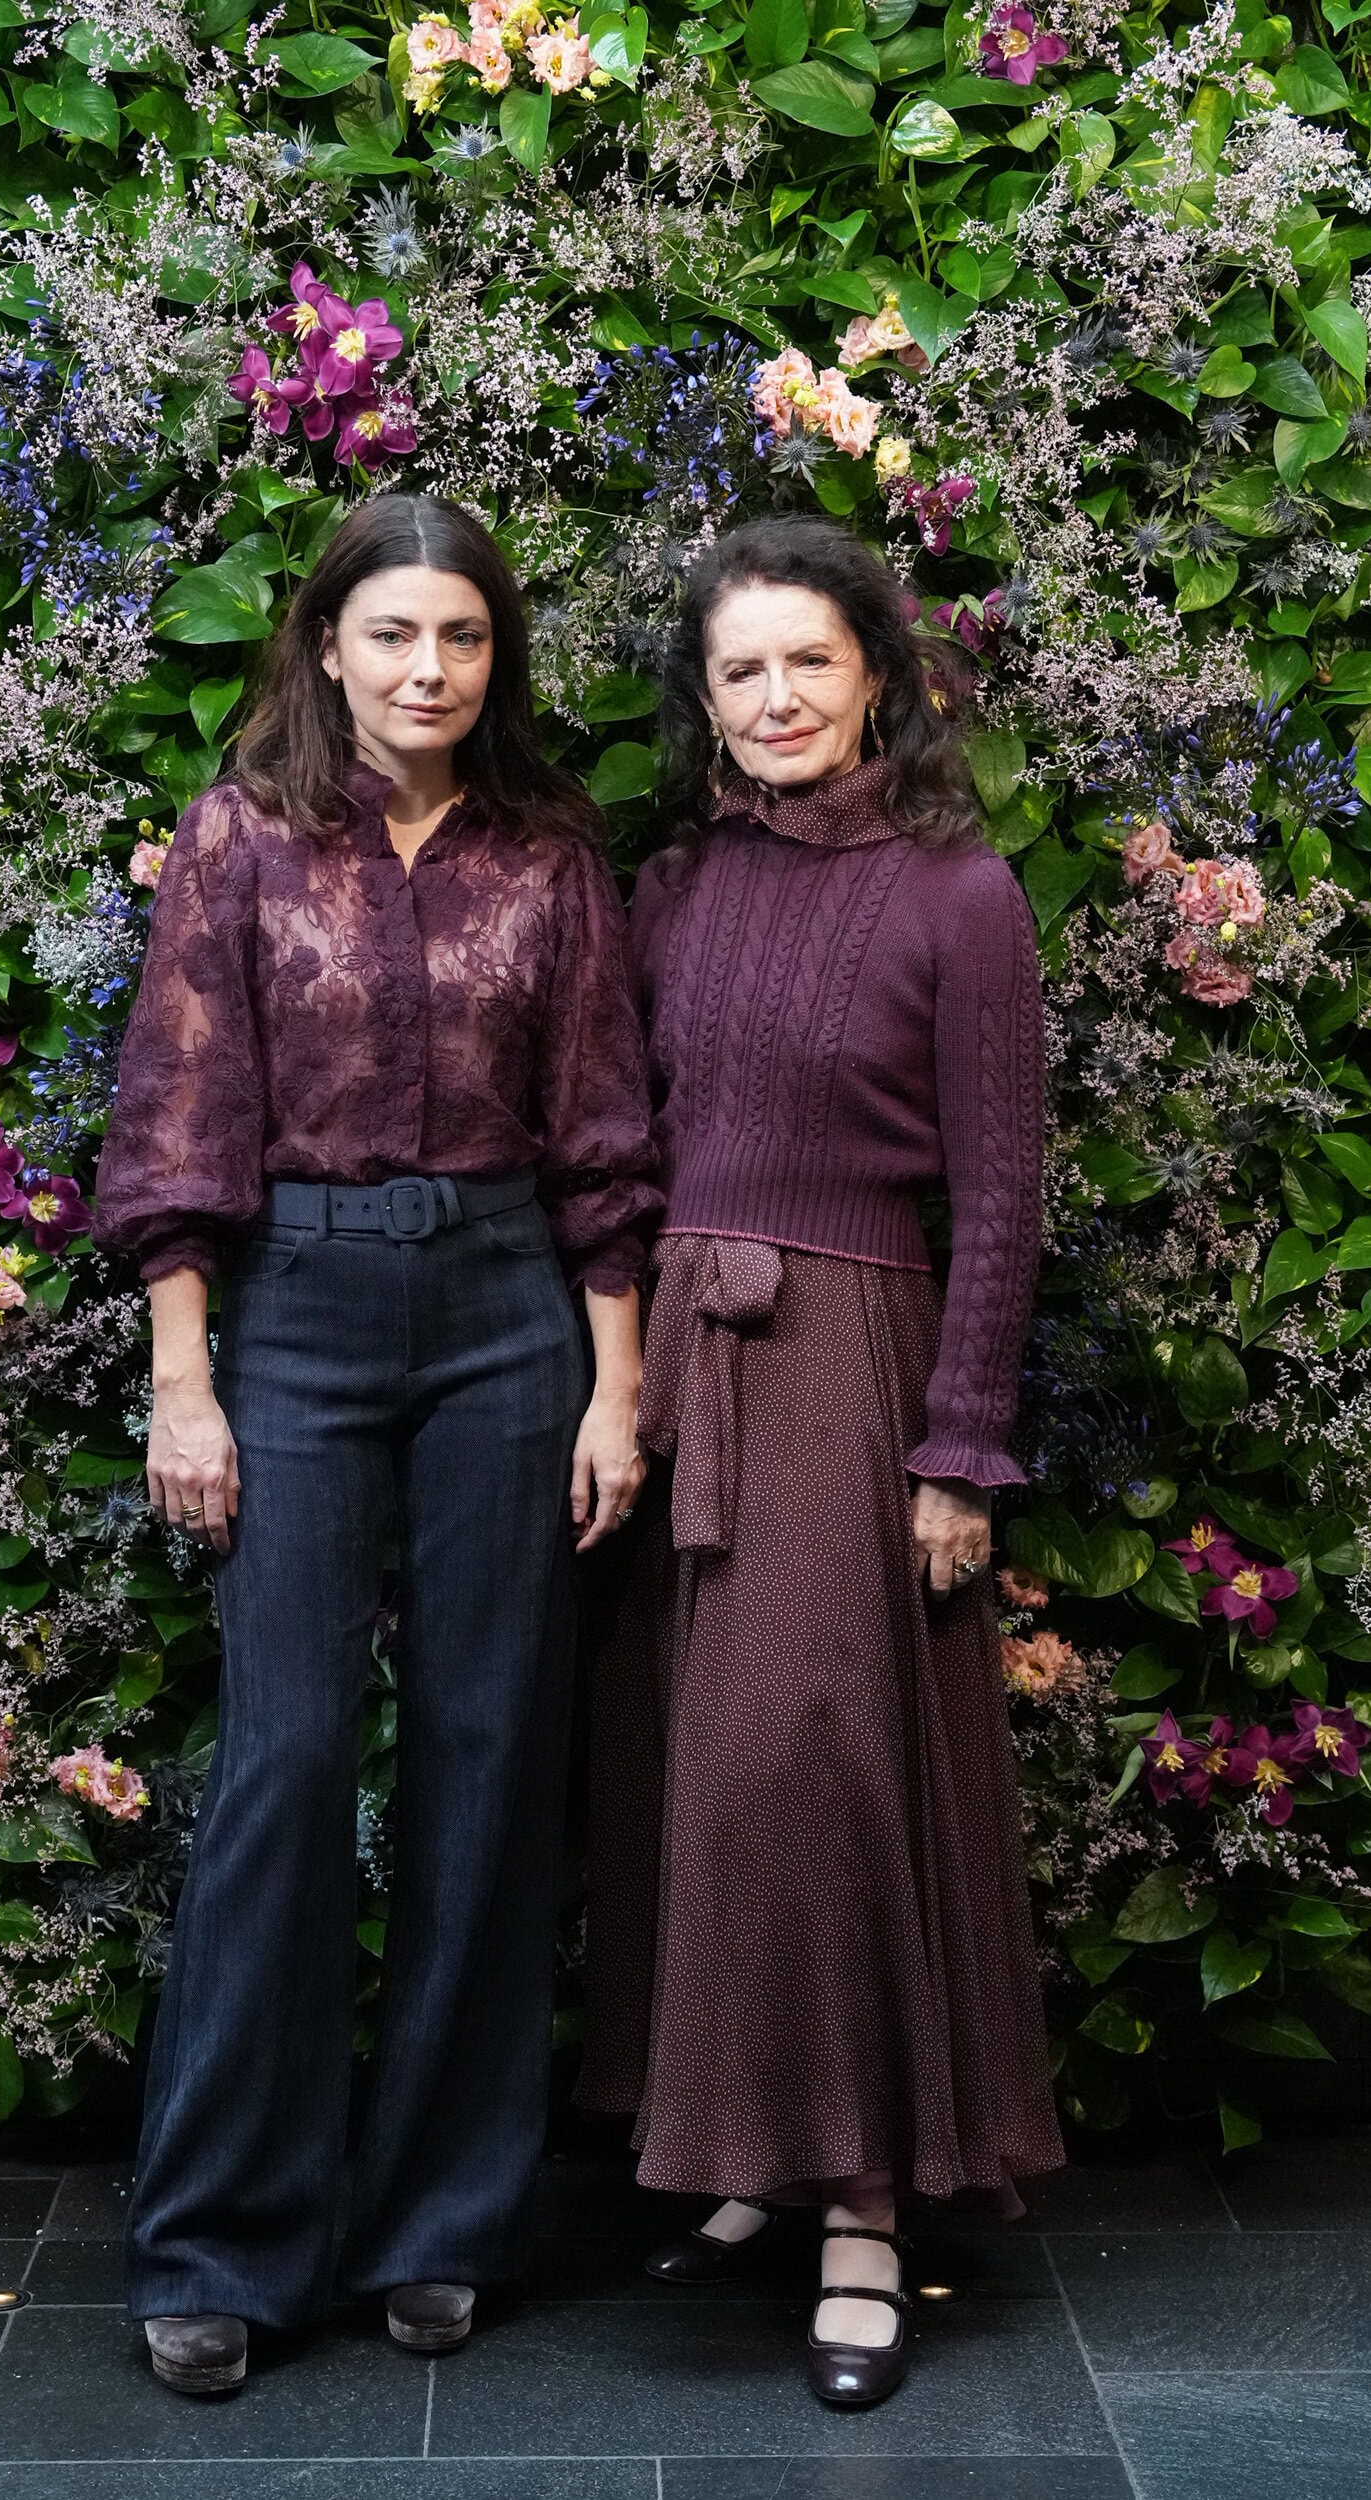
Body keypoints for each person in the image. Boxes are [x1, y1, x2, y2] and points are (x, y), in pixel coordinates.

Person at [94, 493, 660, 2395]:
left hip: (508, 1318)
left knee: (492, 1758)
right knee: (287, 1758)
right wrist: (187, 1378)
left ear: (499, 657)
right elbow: (176, 1123)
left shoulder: (550, 854)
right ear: (327, 645)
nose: (431, 669)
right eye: (395, 633)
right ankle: (222, 2241)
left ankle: (440, 2223)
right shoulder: (242, 838)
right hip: (302, 1312)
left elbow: (602, 1139)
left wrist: (615, 1385)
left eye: (464, 637)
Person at [577, 515, 1063, 2410]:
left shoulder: (961, 893)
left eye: (809, 661)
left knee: (818, 1773)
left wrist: (960, 1449)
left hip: (851, 1364)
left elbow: (1002, 1198)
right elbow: (622, 1150)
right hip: (681, 1371)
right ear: (704, 703)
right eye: (741, 671)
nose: (777, 697)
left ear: (878, 676)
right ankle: (755, 2159)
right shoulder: (675, 887)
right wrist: (616, 1382)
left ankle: (865, 2202)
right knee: (691, 1775)